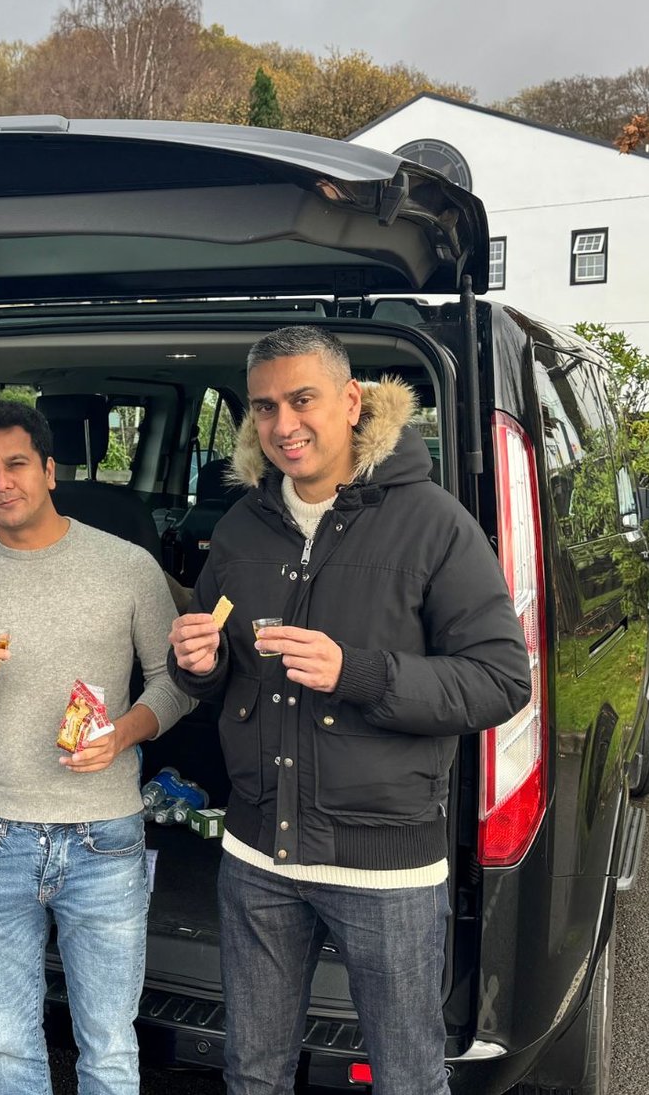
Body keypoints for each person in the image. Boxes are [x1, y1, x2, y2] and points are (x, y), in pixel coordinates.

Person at [166, 325, 531, 1095]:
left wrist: (358, 671)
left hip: (386, 868)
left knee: (406, 1077)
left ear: (352, 400)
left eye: (302, 399)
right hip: (258, 853)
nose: (283, 424)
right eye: (264, 407)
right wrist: (194, 663)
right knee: (253, 1072)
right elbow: (220, 668)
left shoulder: (433, 523)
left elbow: (501, 679)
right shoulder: (239, 529)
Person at [0, 399, 193, 1095]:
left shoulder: (126, 566)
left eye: (15, 465)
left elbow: (175, 682)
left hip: (104, 836)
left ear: (49, 469)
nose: (1, 482)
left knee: (108, 1045)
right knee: (6, 1045)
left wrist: (121, 732)